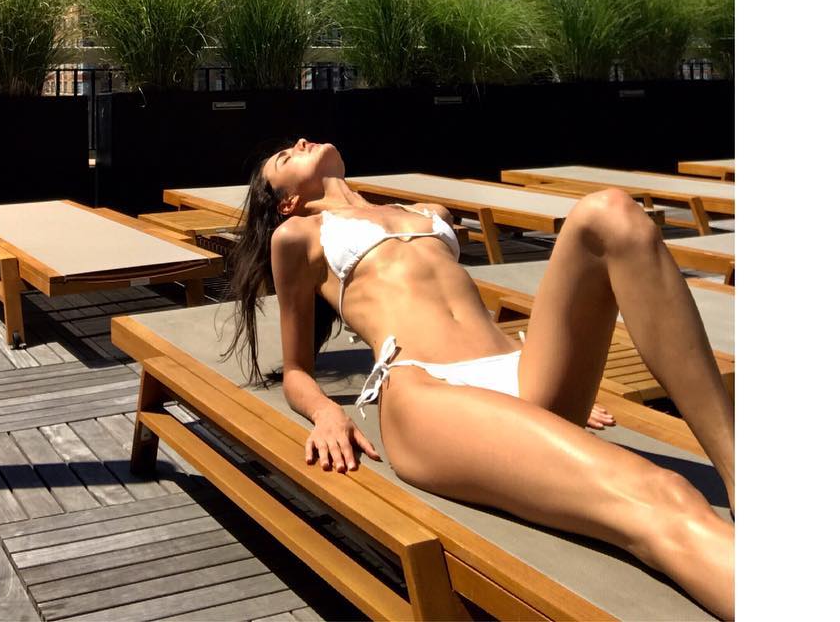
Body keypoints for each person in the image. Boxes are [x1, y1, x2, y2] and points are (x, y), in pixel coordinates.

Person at [226, 139, 734, 620]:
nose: (299, 143)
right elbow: (297, 370)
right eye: (285, 157)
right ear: (287, 201)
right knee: (661, 495)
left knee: (610, 211)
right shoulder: (300, 235)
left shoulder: (428, 213)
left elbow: (460, 309)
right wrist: (326, 414)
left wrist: (566, 376)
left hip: (520, 374)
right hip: (431, 391)